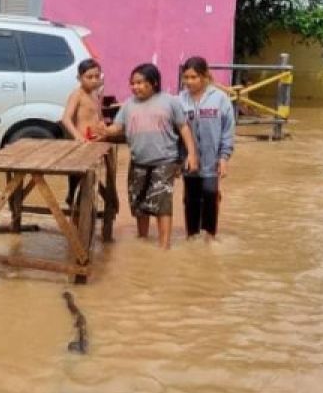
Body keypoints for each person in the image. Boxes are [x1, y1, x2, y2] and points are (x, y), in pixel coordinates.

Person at [98, 63, 198, 249]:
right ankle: (142, 241)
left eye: (140, 83)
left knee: (162, 204)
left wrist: (192, 154)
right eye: (132, 83)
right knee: (139, 204)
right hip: (138, 162)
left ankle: (164, 246)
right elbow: (117, 127)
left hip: (165, 161)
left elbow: (183, 127)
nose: (135, 87)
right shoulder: (128, 105)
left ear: (153, 83)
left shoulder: (170, 102)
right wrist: (105, 130)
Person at [178, 57, 234, 239]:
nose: (189, 82)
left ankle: (210, 239)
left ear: (204, 77)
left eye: (193, 77)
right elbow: (174, 131)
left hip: (212, 161)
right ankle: (191, 238)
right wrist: (178, 159)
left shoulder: (220, 99)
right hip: (189, 161)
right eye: (186, 77)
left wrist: (224, 158)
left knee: (210, 197)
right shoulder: (179, 100)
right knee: (190, 200)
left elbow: (228, 130)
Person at [61, 58, 105, 206]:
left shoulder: (95, 95)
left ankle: (82, 209)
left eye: (97, 76)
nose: (94, 80)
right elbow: (66, 118)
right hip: (81, 144)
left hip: (94, 142)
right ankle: (72, 200)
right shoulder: (77, 95)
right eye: (89, 77)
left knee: (90, 180)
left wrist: (103, 129)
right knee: (78, 178)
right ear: (79, 78)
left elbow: (98, 117)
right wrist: (78, 137)